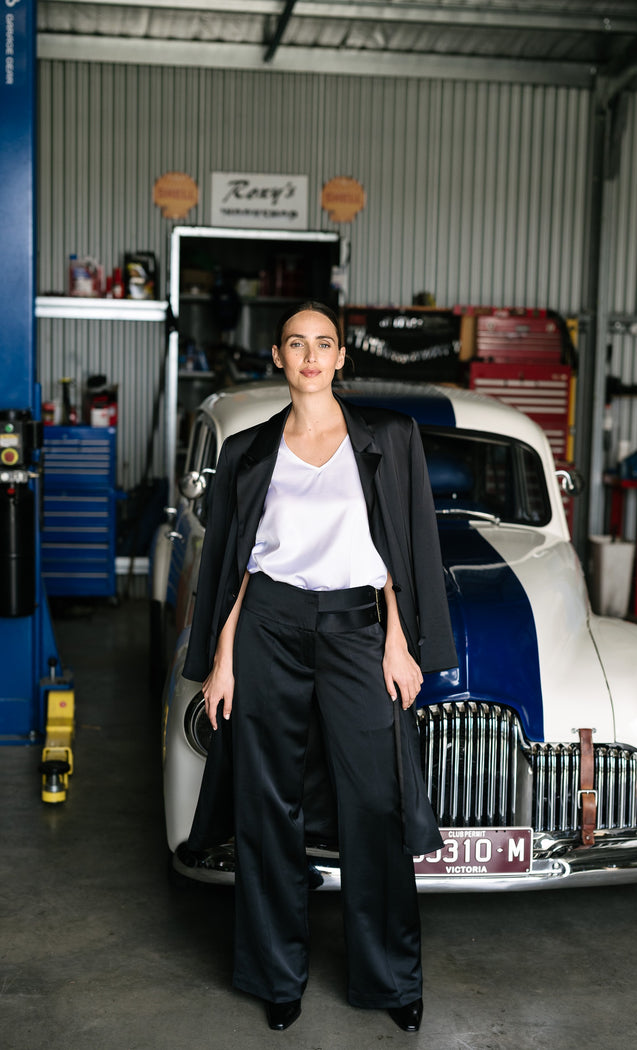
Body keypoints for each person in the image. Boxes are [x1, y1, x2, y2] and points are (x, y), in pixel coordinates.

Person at [182, 301, 457, 1032]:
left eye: (323, 344)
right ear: (277, 356)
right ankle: (277, 975)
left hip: (356, 634)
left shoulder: (389, 439)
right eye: (296, 343)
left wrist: (399, 642)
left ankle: (391, 979)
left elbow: (401, 557)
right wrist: (222, 660)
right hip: (268, 629)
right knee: (268, 808)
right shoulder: (247, 450)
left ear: (341, 357)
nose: (310, 355)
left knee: (377, 804)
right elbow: (238, 566)